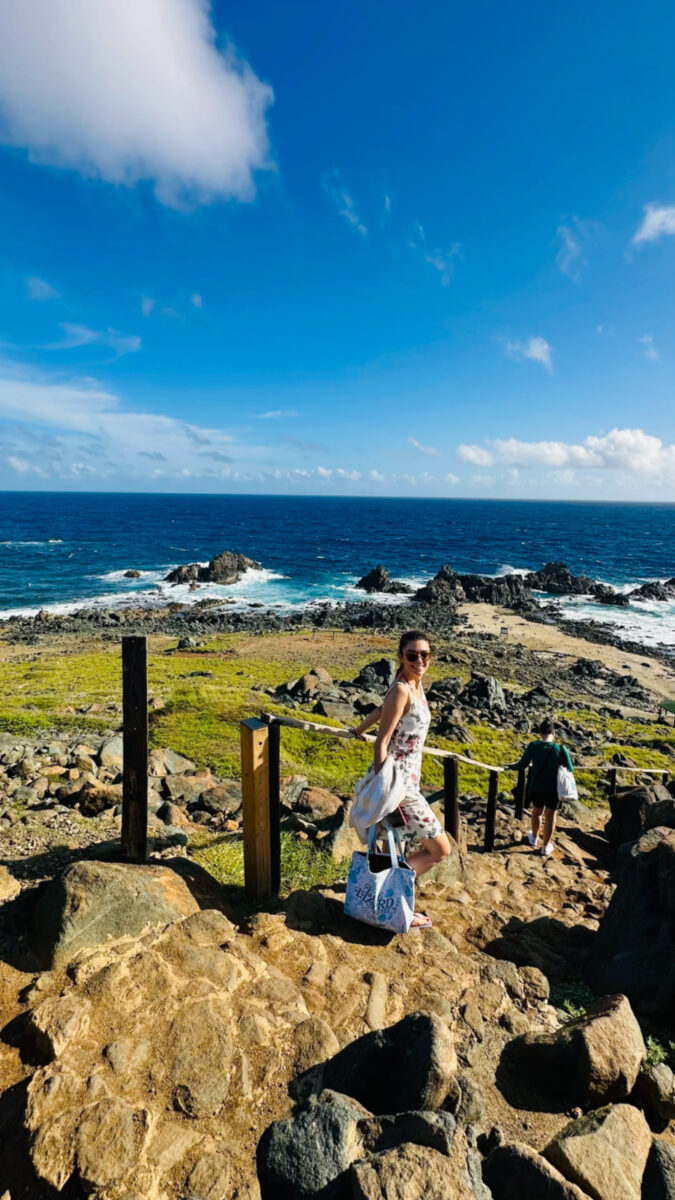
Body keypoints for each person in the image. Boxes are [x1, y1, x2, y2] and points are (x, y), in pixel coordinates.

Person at [351, 629, 453, 928]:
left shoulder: (415, 687)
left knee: (394, 851)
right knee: (440, 850)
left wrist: (358, 728)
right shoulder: (401, 689)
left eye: (424, 654)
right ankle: (390, 897)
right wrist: (388, 799)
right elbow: (381, 742)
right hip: (398, 786)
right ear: (401, 657)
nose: (419, 660)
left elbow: (385, 711)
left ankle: (390, 904)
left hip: (408, 782)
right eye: (412, 655)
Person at [506, 717, 574, 857]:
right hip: (554, 789)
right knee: (550, 816)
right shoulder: (560, 749)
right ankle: (545, 847)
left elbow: (522, 764)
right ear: (553, 732)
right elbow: (570, 768)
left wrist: (509, 767)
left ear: (540, 732)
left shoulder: (533, 746)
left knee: (536, 813)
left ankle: (534, 838)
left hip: (537, 787)